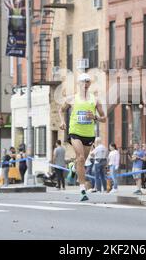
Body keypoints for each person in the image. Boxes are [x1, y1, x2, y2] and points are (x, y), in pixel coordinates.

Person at [59, 73, 107, 202]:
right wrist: (62, 122)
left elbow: (104, 118)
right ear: (78, 84)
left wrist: (95, 117)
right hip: (75, 132)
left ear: (89, 84)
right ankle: (82, 190)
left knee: (82, 161)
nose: (85, 84)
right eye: (83, 82)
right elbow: (61, 110)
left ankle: (73, 168)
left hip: (89, 134)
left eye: (87, 82)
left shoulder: (95, 100)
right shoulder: (72, 99)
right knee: (80, 158)